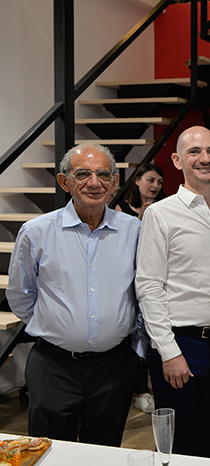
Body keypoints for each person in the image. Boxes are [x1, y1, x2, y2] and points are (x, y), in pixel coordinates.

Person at [7, 143, 144, 446]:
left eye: (103, 175)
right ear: (64, 181)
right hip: (53, 367)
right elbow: (20, 295)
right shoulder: (36, 232)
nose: (94, 183)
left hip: (114, 368)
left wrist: (137, 350)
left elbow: (142, 292)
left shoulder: (134, 230)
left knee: (105, 454)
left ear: (115, 183)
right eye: (82, 174)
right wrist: (58, 326)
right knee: (49, 454)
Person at [136, 125, 210, 457]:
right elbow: (148, 285)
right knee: (175, 448)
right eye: (194, 152)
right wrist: (168, 352)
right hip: (180, 344)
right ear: (177, 161)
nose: (205, 158)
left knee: (204, 445)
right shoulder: (161, 214)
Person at [115, 162, 166, 415]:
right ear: (137, 181)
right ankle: (137, 389)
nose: (155, 186)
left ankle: (149, 387)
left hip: (156, 277)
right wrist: (140, 219)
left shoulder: (164, 207)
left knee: (150, 331)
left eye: (159, 182)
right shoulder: (121, 208)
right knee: (134, 332)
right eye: (150, 180)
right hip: (130, 277)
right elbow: (122, 245)